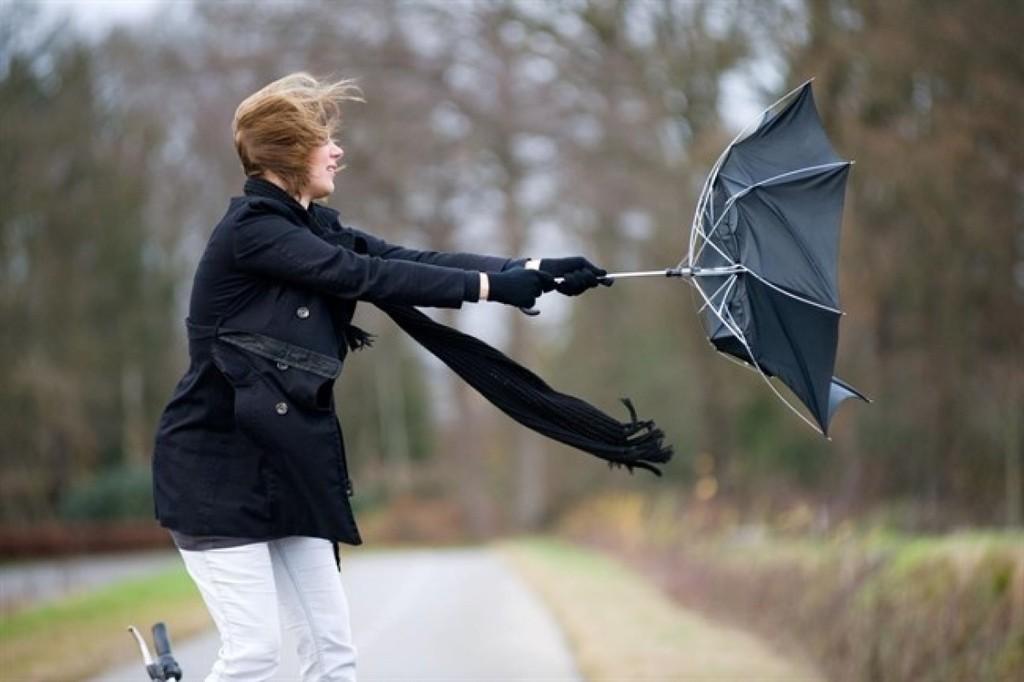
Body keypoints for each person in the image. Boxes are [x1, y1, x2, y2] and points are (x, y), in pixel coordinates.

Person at [150, 72, 609, 681]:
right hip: (216, 471)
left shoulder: (313, 227)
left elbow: (403, 260)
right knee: (255, 654)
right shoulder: (253, 233)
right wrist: (491, 286)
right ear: (289, 152)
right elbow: (360, 277)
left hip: (289, 468)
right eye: (323, 140)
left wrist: (530, 268)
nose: (337, 150)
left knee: (333, 655)